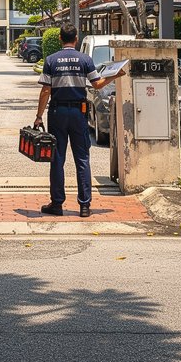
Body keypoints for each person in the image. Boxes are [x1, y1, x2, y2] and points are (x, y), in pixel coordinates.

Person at [34, 24, 125, 218]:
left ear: (60, 38)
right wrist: (115, 75)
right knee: (82, 159)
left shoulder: (51, 60)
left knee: (57, 158)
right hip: (78, 112)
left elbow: (46, 90)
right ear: (76, 38)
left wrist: (38, 116)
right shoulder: (85, 59)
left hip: (57, 112)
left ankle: (57, 204)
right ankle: (84, 205)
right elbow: (97, 84)